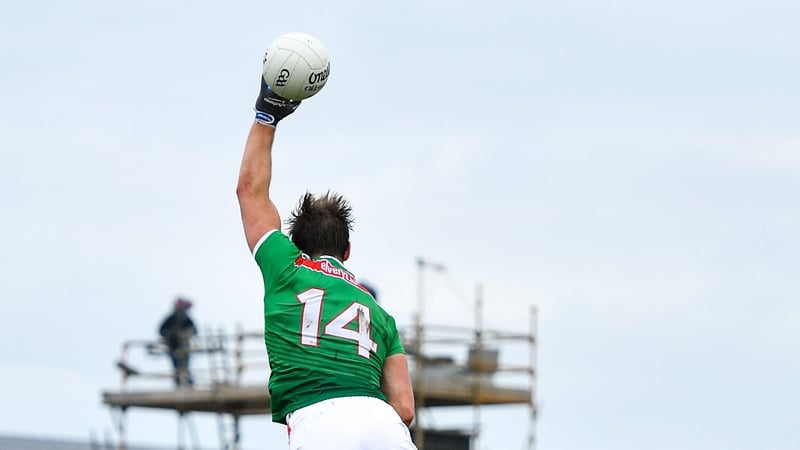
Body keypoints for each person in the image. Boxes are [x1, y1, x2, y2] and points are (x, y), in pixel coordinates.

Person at [236, 74, 417, 450]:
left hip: (320, 424)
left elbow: (249, 192)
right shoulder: (377, 311)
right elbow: (404, 407)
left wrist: (267, 113)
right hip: (384, 425)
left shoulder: (287, 266)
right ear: (347, 251)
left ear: (296, 243)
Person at [159, 297, 197, 387]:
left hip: (184, 347)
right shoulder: (171, 318)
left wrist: (186, 333)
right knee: (177, 367)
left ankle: (187, 382)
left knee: (184, 366)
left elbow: (194, 331)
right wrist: (169, 334)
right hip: (173, 347)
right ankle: (179, 383)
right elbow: (161, 330)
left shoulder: (186, 319)